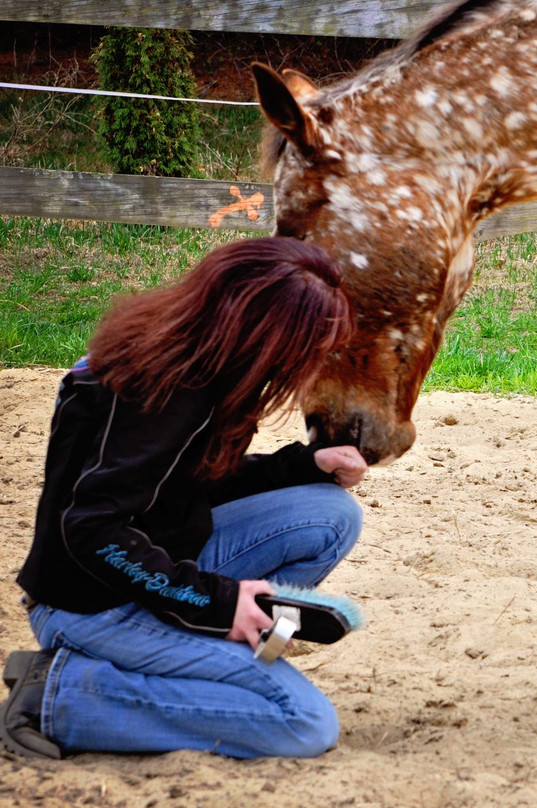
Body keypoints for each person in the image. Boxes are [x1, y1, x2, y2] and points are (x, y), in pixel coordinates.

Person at [1, 236, 367, 760]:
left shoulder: (191, 356)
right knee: (304, 723)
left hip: (150, 566)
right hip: (92, 606)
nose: (309, 367)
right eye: (308, 350)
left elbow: (186, 484)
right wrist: (220, 604)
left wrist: (302, 465)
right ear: (267, 337)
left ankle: (204, 653)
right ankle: (59, 695)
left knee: (329, 515)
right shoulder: (166, 392)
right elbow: (91, 529)